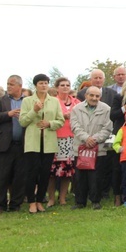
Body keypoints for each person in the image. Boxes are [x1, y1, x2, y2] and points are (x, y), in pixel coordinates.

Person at [19, 74, 65, 214]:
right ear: (35, 85)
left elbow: (61, 121)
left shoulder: (54, 101)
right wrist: (35, 111)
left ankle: (40, 201)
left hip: (48, 142)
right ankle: (31, 202)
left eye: (46, 83)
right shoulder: (27, 100)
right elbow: (23, 121)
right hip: (33, 142)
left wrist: (49, 123)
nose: (44, 85)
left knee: (45, 173)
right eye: (41, 83)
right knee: (32, 173)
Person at [70, 86, 113, 210]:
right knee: (80, 176)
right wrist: (86, 138)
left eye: (97, 96)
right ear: (86, 96)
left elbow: (108, 128)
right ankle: (80, 202)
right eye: (91, 95)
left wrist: (94, 139)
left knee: (96, 176)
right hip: (80, 147)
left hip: (98, 148)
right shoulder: (76, 109)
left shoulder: (106, 109)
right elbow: (74, 126)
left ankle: (95, 201)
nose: (94, 98)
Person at [0, 75, 27, 213]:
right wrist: (8, 114)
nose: (8, 87)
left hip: (22, 144)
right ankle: (0, 204)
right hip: (5, 144)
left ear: (19, 86)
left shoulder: (27, 101)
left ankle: (15, 204)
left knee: (19, 176)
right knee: (2, 176)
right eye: (7, 84)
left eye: (11, 84)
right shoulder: (0, 101)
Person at [47, 77, 80, 206]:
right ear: (57, 88)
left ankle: (62, 198)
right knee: (52, 172)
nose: (65, 87)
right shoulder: (52, 102)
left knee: (67, 171)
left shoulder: (76, 102)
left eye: (67, 84)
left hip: (71, 139)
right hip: (55, 138)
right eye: (62, 85)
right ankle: (51, 198)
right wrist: (63, 116)